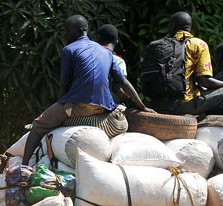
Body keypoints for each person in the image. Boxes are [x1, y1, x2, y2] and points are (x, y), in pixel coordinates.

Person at [21, 15, 152, 164]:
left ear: (79, 30)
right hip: (104, 108)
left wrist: (59, 108)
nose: (65, 35)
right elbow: (123, 82)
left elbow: (64, 86)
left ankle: (23, 166)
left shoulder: (68, 50)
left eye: (67, 31)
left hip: (78, 106)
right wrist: (142, 106)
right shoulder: (107, 53)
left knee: (38, 125)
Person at [149, 11, 223, 116]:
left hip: (157, 103)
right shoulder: (198, 44)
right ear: (190, 27)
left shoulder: (159, 47)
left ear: (172, 26)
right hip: (183, 104)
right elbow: (204, 81)